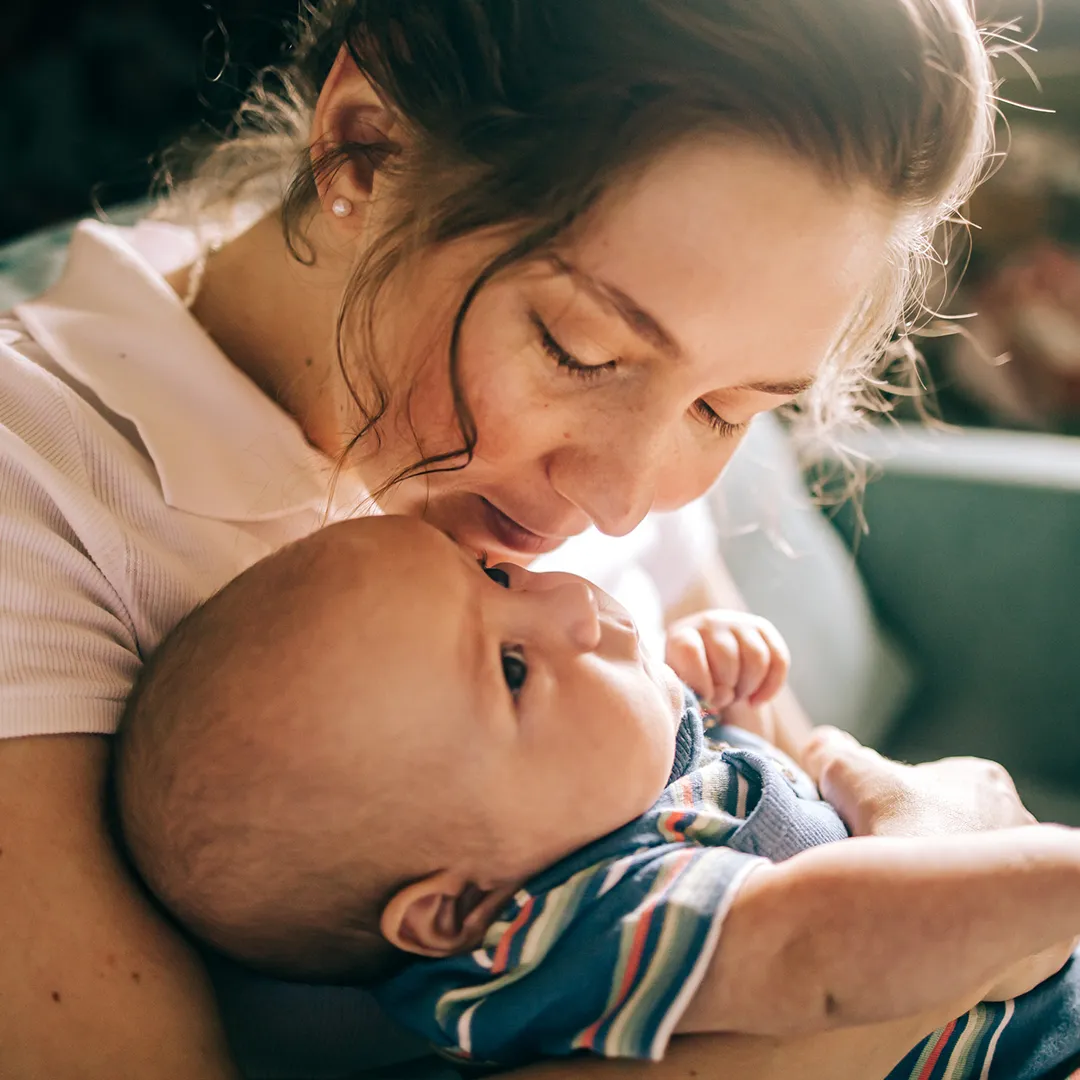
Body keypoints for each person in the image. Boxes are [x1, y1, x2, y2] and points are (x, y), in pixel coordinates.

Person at [0, 0, 1015, 1076]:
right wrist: (969, 891)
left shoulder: (597, 457)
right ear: (365, 146)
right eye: (578, 349)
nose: (625, 504)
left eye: (726, 410)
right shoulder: (42, 484)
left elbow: (788, 821)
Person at [114, 515, 1080, 1080]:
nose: (568, 600)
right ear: (457, 907)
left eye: (494, 576)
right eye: (512, 668)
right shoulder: (562, 930)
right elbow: (815, 946)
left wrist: (703, 704)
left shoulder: (586, 807)